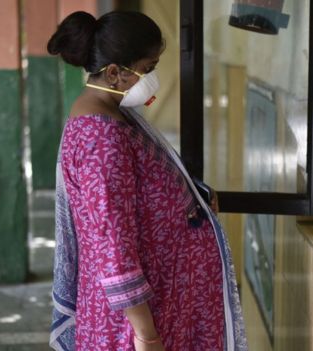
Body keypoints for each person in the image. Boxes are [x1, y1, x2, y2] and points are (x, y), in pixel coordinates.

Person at [47, 11, 247, 351]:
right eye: (148, 68)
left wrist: (191, 194)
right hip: (133, 324)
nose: (152, 79)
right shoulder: (101, 138)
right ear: (114, 73)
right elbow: (113, 248)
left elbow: (141, 189)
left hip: (160, 306)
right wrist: (146, 334)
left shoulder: (112, 114)